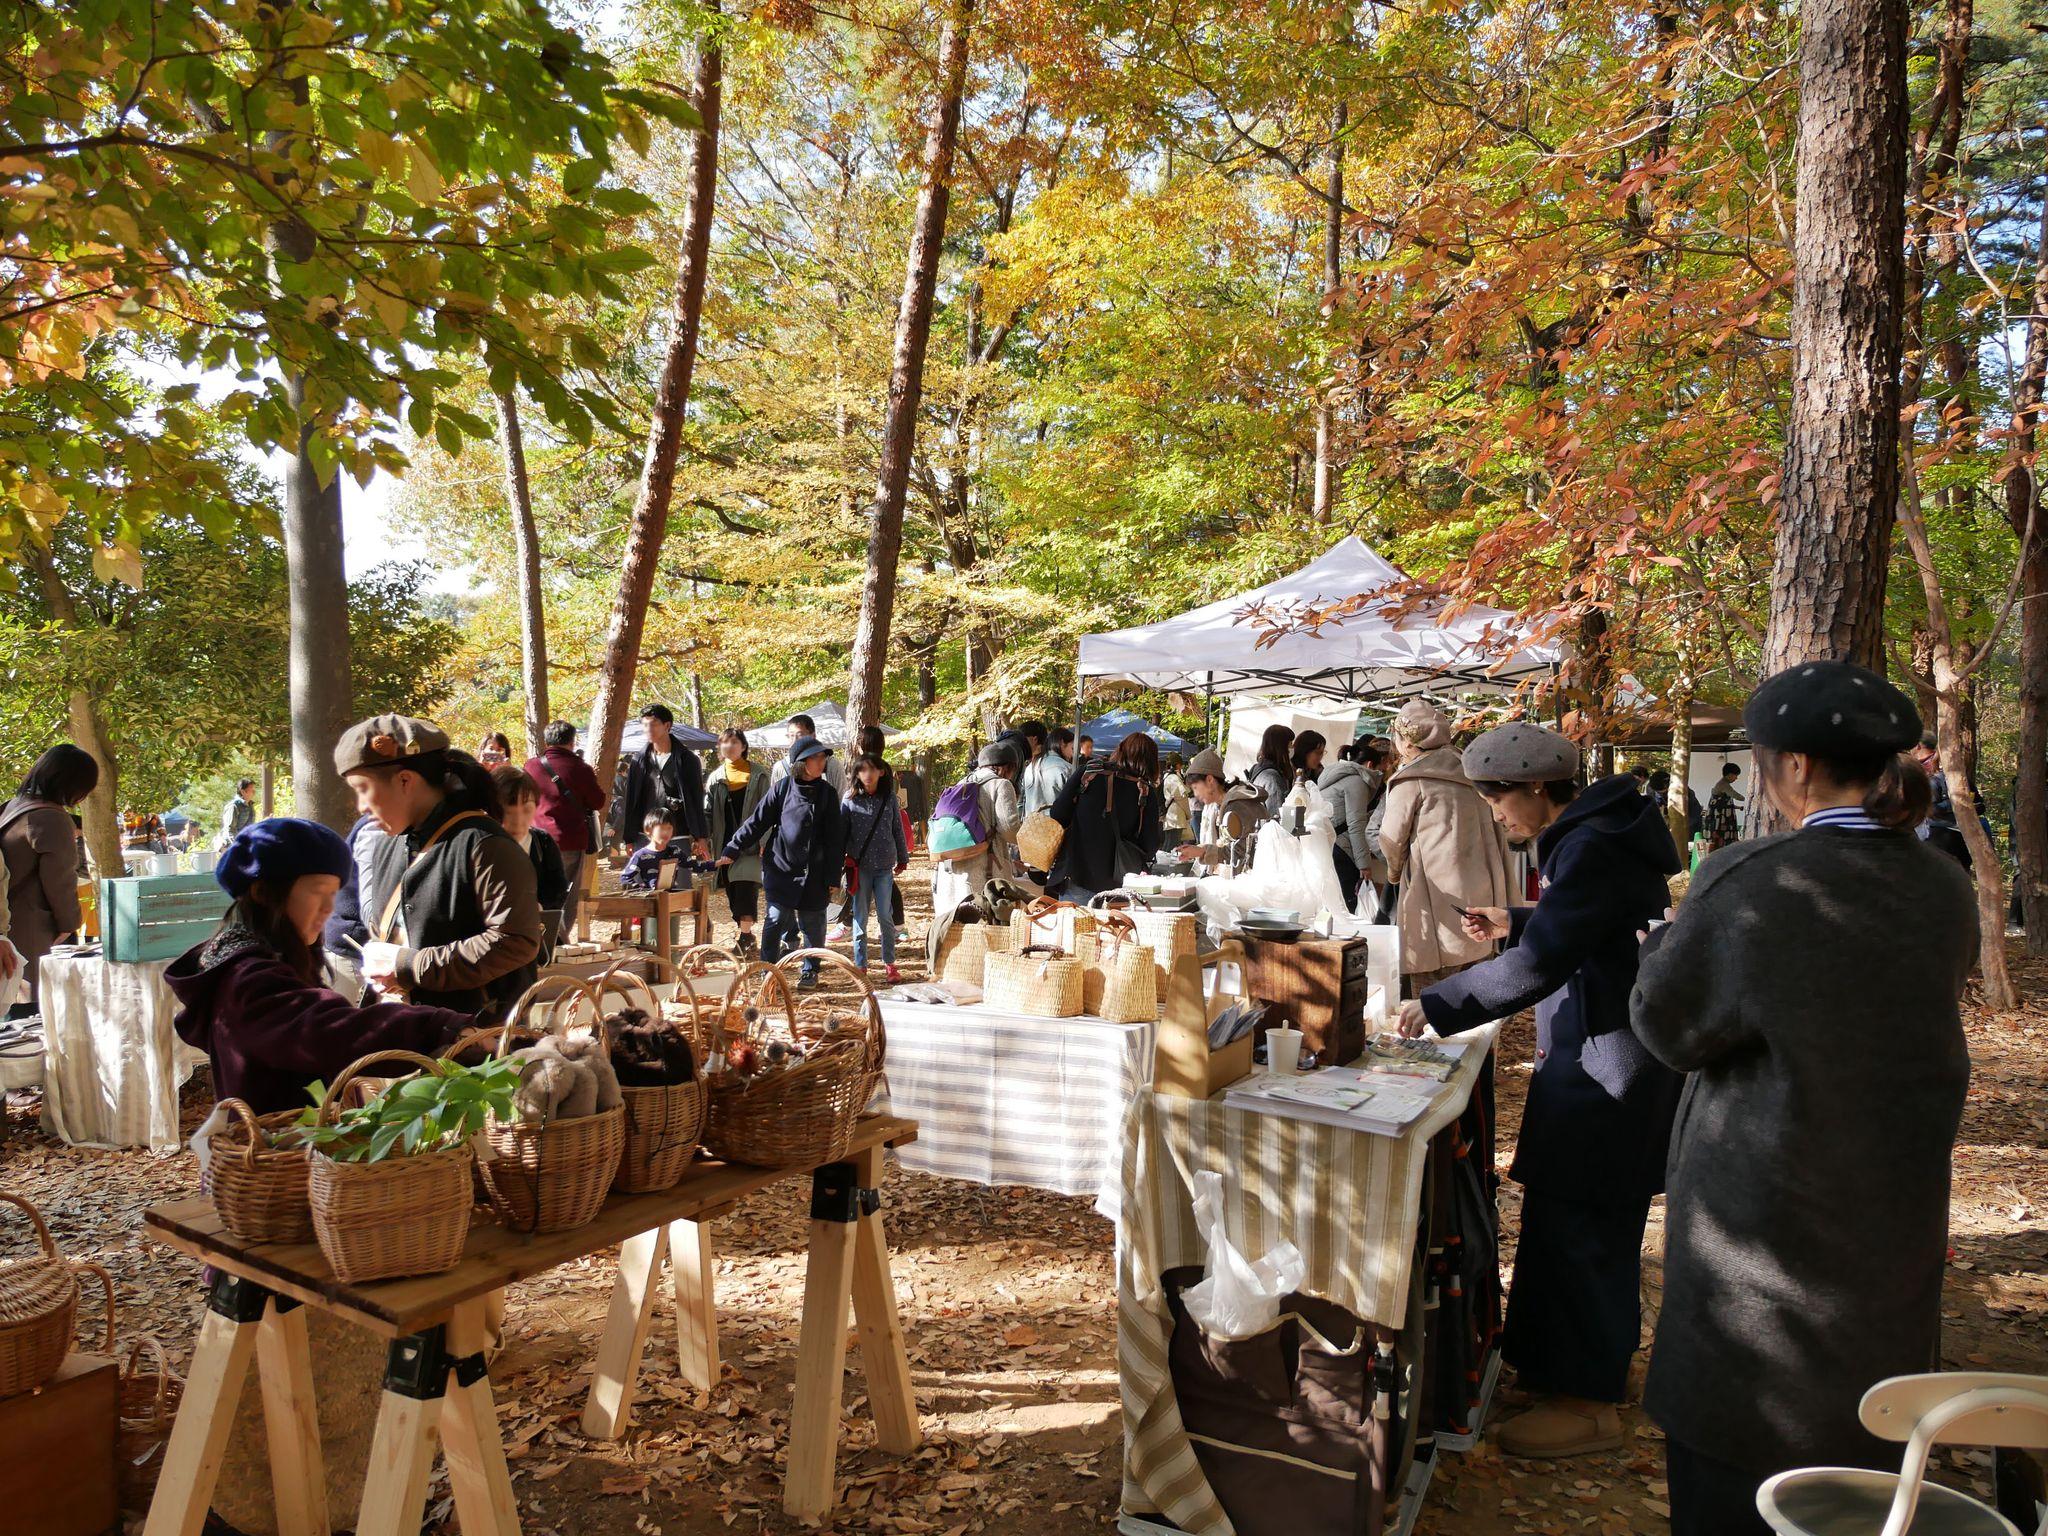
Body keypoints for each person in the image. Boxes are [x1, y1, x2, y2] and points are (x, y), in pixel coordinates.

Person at [1630, 663, 1975, 1536]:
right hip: (1893, 1207)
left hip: (1766, 1214)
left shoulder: (1756, 879)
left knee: (1735, 1454)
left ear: (1794, 768)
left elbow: (1669, 1028)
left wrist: (1661, 949)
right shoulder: (1942, 883)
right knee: (1862, 1437)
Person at [1396, 722, 1683, 1460]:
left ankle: (1590, 1405)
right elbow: (1593, 926)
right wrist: (1521, 920)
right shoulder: (1598, 834)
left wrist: (1436, 1006)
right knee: (1564, 1215)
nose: (1496, 812)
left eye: (1498, 797)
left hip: (1608, 1062)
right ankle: (1562, 1370)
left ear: (1535, 785)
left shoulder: (1589, 844)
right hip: (1597, 1050)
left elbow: (1540, 968)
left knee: (1586, 1226)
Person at [168, 817, 477, 1115]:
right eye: (318, 892)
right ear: (263, 893)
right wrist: (441, 1028)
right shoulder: (247, 980)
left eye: (334, 894)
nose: (329, 908)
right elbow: (332, 1034)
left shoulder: (275, 960)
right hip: (279, 1158)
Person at [338, 715, 542, 1014]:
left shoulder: (485, 845)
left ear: (405, 780)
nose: (361, 806)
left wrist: (410, 966)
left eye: (363, 789)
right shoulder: (386, 842)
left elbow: (515, 942)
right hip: (408, 1028)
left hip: (474, 1042)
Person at [1372, 701, 1515, 992]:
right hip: (1484, 897)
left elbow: (1391, 840)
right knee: (1480, 992)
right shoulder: (1474, 773)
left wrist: (1395, 874)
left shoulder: (1411, 780)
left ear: (1405, 741)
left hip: (1437, 898)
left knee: (1436, 999)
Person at [719, 735, 846, 989]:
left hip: (815, 873)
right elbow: (757, 822)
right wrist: (733, 847)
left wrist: (833, 876)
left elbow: (835, 839)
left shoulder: (828, 794)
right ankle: (768, 970)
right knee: (776, 919)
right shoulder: (782, 788)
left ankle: (810, 971)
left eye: (823, 757)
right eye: (816, 757)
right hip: (781, 868)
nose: (822, 761)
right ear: (802, 762)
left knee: (813, 924)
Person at [1, 743, 95, 1013]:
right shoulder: (51, 818)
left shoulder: (12, 807)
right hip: (34, 937)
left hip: (8, 932)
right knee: (37, 1024)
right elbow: (61, 884)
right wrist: (70, 924)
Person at [1050, 733, 1165, 905]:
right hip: (1121, 887)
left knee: (1073, 931)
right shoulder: (1145, 792)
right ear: (1151, 761)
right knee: (1114, 932)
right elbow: (1149, 847)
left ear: (1120, 751)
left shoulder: (1089, 773)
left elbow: (1058, 814)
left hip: (1076, 875)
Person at [928, 741, 1025, 924]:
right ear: (1007, 768)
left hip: (950, 868)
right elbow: (1010, 829)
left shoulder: (961, 784)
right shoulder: (1000, 785)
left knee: (957, 926)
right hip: (983, 869)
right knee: (985, 925)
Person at [524, 720, 605, 931]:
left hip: (535, 839)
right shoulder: (581, 768)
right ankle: (558, 941)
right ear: (571, 741)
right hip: (569, 839)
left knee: (538, 891)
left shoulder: (531, 766)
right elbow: (598, 801)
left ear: (547, 740)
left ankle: (538, 939)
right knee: (567, 894)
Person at [842, 753, 909, 980]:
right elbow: (841, 834)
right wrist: (839, 861)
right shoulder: (849, 800)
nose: (867, 775)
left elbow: (897, 830)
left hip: (883, 868)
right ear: (857, 774)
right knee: (860, 918)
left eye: (872, 769)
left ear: (881, 772)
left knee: (885, 916)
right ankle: (861, 965)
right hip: (859, 868)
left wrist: (903, 858)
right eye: (862, 770)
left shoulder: (889, 799)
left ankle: (890, 964)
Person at [612, 703, 710, 857]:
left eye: (654, 724)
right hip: (645, 837)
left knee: (680, 880)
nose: (649, 729)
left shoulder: (687, 759)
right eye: (645, 725)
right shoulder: (639, 761)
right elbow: (631, 800)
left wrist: (701, 836)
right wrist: (629, 837)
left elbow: (696, 799)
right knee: (644, 881)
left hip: (678, 834)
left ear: (667, 725)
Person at [706, 728, 768, 957]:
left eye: (733, 742)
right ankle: (746, 933)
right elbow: (708, 811)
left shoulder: (759, 774)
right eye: (724, 742)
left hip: (750, 844)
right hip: (724, 842)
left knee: (745, 886)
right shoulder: (715, 777)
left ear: (743, 746)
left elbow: (768, 809)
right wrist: (703, 839)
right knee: (732, 889)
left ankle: (745, 936)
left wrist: (764, 840)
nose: (728, 746)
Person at [1176, 748, 1271, 871]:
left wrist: (1202, 851)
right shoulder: (1223, 805)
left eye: (1195, 787)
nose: (1195, 794)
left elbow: (1240, 855)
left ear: (1210, 780)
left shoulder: (1237, 805)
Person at [492, 766, 569, 916]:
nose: (518, 820)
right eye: (508, 812)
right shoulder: (481, 846)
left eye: (527, 810)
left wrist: (540, 907)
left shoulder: (543, 843)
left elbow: (558, 890)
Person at [1318, 744, 1382, 911]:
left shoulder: (1335, 775)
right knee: (1346, 906)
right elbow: (1355, 824)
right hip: (1341, 848)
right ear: (1369, 765)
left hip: (1326, 842)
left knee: (1331, 903)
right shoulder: (1357, 782)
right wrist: (1364, 865)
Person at [768, 713, 847, 794]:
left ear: (813, 736)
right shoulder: (780, 767)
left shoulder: (831, 765)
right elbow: (773, 802)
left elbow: (842, 800)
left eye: (800, 735)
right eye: (791, 735)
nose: (795, 740)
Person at [1019, 719, 1074, 821]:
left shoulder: (1029, 767)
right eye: (1072, 748)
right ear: (1062, 743)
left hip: (1031, 830)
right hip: (1057, 831)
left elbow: (1022, 801)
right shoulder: (1065, 767)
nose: (1073, 754)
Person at [621, 812, 687, 892]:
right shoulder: (640, 855)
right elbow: (625, 877)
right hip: (649, 899)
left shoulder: (674, 852)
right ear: (648, 830)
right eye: (662, 828)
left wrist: (706, 864)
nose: (666, 832)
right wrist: (638, 889)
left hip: (671, 898)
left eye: (669, 828)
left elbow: (693, 864)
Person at [1249, 724, 1295, 816]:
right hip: (1271, 828)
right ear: (1281, 747)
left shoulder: (1258, 768)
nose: (1291, 749)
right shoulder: (1272, 777)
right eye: (1290, 745)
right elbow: (1277, 814)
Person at [1703, 762, 1743, 852]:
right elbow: (1737, 796)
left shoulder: (1723, 785)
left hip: (1723, 818)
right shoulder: (1723, 785)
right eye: (1735, 775)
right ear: (1729, 775)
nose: (1736, 778)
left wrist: (1737, 807)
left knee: (1721, 842)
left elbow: (1726, 804)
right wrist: (1748, 797)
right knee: (1718, 841)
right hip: (1719, 819)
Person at [217, 778, 257, 851]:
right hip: (231, 847)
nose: (254, 792)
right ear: (243, 791)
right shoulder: (233, 806)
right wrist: (238, 847)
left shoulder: (250, 805)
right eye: (251, 789)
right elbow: (229, 830)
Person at [1160, 755, 1191, 844]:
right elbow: (1182, 798)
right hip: (1176, 815)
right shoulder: (1174, 778)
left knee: (1170, 844)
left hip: (1171, 814)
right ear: (1177, 765)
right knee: (1171, 845)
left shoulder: (1167, 776)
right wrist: (1188, 814)